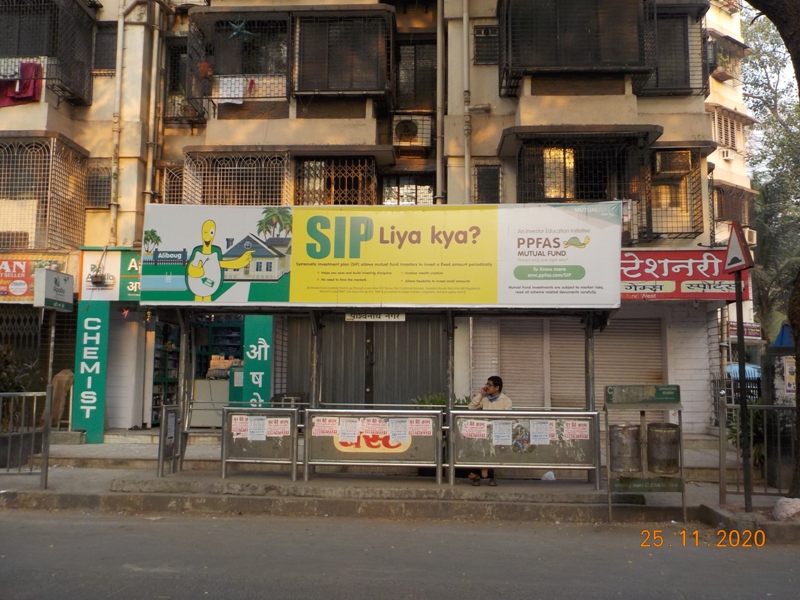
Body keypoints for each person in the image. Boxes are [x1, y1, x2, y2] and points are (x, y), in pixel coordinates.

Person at [467, 375, 511, 486]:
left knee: (493, 454)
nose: (487, 387)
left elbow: (507, 417)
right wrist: (481, 394)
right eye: (486, 384)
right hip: (485, 431)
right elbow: (471, 407)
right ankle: (479, 475)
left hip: (498, 432)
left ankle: (490, 476)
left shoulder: (506, 400)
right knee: (482, 452)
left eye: (489, 385)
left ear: (497, 388)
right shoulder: (485, 399)